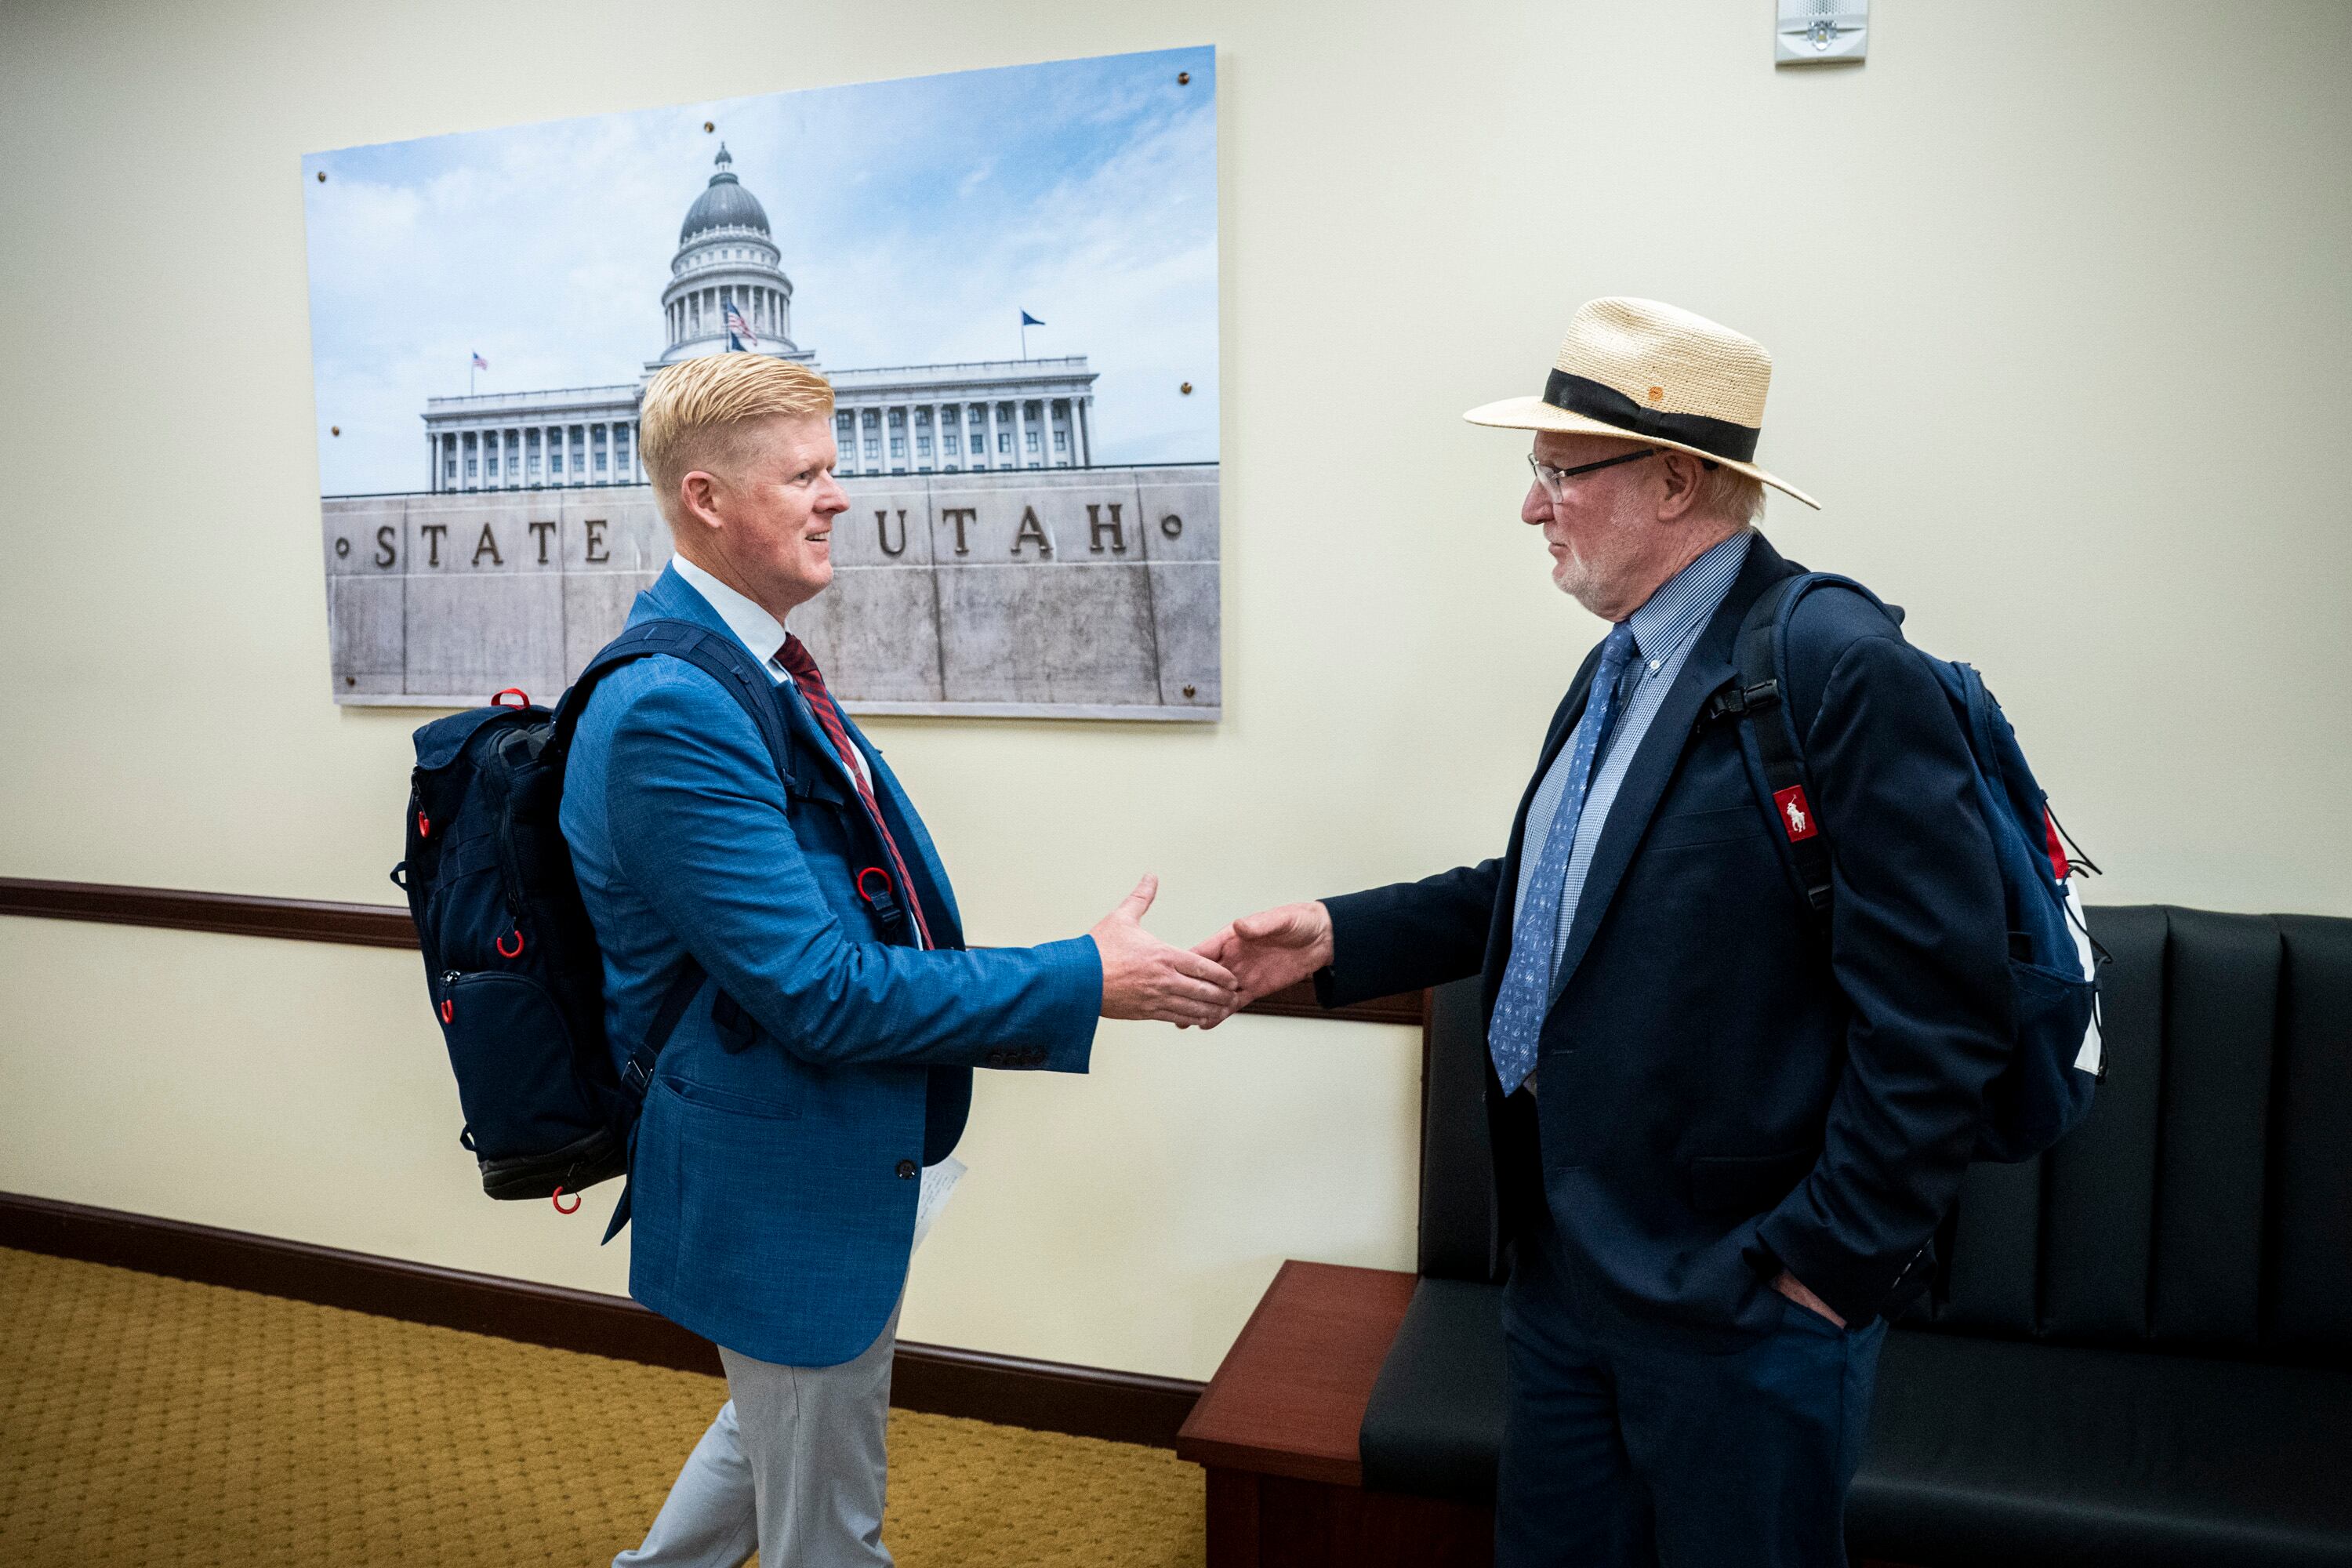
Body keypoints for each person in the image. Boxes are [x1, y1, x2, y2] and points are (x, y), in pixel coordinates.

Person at [1196, 299, 2013, 1567]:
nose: (1531, 508)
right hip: (1568, 1270)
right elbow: (1549, 892)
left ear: (1677, 480)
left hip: (1741, 1304)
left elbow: (1943, 1009)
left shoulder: (1837, 666)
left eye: (1557, 474)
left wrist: (1819, 1269)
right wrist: (1334, 935)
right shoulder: (1622, 660)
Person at [560, 351, 1238, 1568]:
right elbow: (821, 989)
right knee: (831, 1528)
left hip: (829, 1143)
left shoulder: (745, 668)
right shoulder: (676, 704)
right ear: (707, 499)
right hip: (781, 1164)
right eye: (806, 474)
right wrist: (1087, 975)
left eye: (835, 467)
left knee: (780, 1421)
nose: (840, 497)